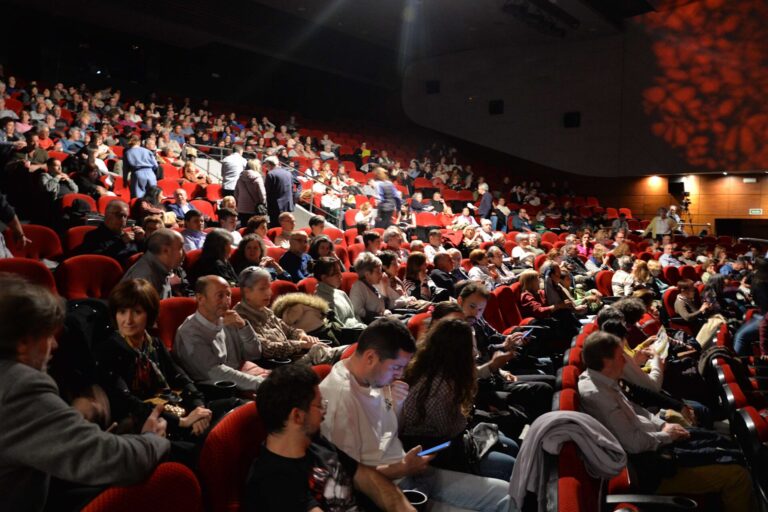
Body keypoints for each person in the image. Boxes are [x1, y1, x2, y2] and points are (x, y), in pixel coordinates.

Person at [0, 276, 169, 512]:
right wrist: (152, 437)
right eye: (47, 336)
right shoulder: (19, 386)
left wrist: (78, 432)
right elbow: (117, 461)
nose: (54, 345)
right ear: (22, 343)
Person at [319, 318, 512, 512]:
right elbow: (351, 477)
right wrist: (403, 468)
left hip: (409, 472)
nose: (400, 374)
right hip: (388, 489)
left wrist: (397, 405)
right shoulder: (340, 398)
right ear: (370, 357)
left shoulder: (374, 377)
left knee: (505, 494)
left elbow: (389, 434)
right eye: (396, 367)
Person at [578, 331, 754, 512]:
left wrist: (663, 425)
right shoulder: (597, 395)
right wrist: (666, 435)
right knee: (738, 474)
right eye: (620, 356)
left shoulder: (602, 379)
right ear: (607, 362)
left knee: (725, 444)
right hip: (652, 468)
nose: (625, 361)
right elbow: (633, 444)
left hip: (656, 444)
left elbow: (636, 410)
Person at [243, 365, 415, 512]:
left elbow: (368, 479)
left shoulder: (315, 442)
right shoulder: (274, 483)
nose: (324, 411)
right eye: (320, 405)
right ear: (297, 416)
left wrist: (403, 507)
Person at [400, 318, 518, 480]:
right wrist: (467, 414)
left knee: (511, 446)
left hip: (449, 438)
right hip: (435, 448)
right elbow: (450, 430)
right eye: (471, 348)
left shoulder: (434, 366)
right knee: (509, 465)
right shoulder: (441, 386)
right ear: (457, 352)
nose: (475, 353)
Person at [95, 279, 213, 440]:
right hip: (138, 426)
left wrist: (199, 408)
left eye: (136, 312)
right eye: (122, 312)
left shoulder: (154, 343)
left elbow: (179, 376)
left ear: (149, 315)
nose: (128, 320)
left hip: (169, 410)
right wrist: (181, 422)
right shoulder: (108, 349)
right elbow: (127, 403)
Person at [174, 275, 267, 394]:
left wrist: (243, 327)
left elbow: (254, 354)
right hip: (216, 391)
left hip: (242, 379)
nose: (226, 301)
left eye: (228, 295)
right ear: (200, 298)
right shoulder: (189, 332)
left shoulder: (229, 319)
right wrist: (261, 384)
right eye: (220, 296)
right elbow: (216, 373)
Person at [234, 266, 325, 360]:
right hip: (277, 365)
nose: (269, 293)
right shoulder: (240, 318)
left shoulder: (266, 310)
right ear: (247, 292)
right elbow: (266, 349)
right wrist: (300, 345)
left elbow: (289, 330)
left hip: (293, 358)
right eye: (262, 289)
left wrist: (302, 336)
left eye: (269, 287)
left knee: (326, 349)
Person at [121, 228, 187, 298]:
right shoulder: (144, 280)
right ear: (166, 251)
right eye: (180, 248)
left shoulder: (162, 266)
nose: (185, 252)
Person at [77, 200, 144, 267]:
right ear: (107, 215)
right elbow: (98, 261)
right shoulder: (93, 236)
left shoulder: (128, 236)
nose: (123, 220)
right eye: (119, 215)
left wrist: (141, 240)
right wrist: (121, 243)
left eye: (126, 216)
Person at [349, 252, 390, 323]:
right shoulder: (358, 287)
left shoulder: (372, 285)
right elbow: (358, 311)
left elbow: (383, 306)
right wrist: (380, 316)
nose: (381, 274)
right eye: (378, 272)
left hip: (381, 322)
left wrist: (384, 287)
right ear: (367, 274)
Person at [234, 158, 266, 226]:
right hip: (254, 208)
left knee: (243, 227)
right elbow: (262, 195)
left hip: (242, 208)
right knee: (254, 227)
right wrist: (263, 203)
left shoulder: (240, 178)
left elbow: (236, 194)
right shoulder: (258, 178)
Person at [264, 155, 294, 227]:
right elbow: (292, 187)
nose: (265, 167)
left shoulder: (271, 174)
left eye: (266, 165)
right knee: (286, 226)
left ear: (269, 164)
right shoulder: (288, 173)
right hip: (287, 205)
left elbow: (267, 190)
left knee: (275, 227)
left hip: (275, 207)